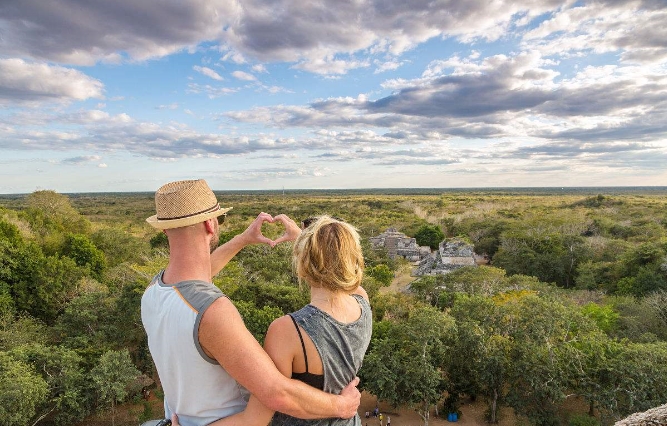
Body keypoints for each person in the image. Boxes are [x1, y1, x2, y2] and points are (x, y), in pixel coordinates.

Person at [141, 180, 361, 426]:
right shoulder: (212, 312)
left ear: (164, 230)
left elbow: (193, 281)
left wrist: (243, 239)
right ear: (210, 224)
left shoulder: (155, 291)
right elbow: (277, 393)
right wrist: (342, 405)